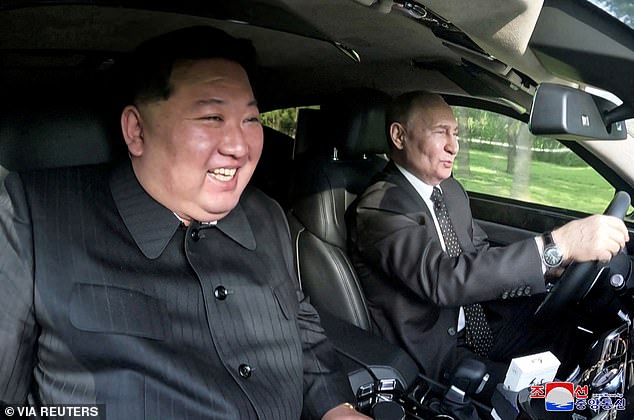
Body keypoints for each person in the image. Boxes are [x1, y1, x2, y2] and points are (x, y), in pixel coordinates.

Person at [0, 26, 370, 420]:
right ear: (137, 131)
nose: (239, 147)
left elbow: (300, 328)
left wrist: (337, 408)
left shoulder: (267, 215)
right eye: (212, 117)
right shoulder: (33, 218)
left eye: (250, 119)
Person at [348, 91, 629, 396]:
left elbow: (478, 253)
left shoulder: (450, 190)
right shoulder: (381, 207)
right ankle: (574, 406)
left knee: (572, 333)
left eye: (455, 133)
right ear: (399, 136)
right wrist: (555, 245)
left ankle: (595, 402)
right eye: (440, 132)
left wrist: (555, 267)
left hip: (485, 324)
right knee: (544, 400)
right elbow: (445, 280)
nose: (453, 146)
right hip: (439, 355)